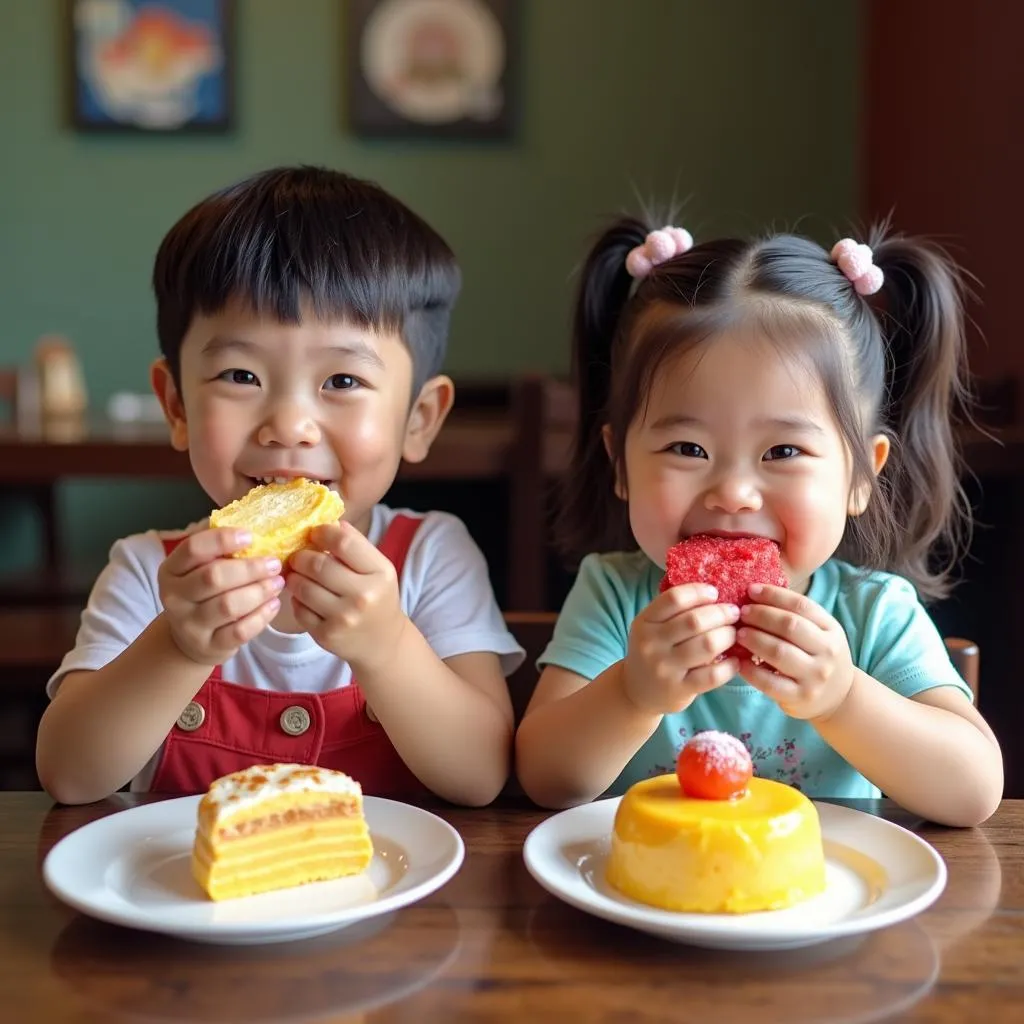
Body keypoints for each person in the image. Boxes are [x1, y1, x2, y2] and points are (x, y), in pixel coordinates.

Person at [36, 165, 522, 806]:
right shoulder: (149, 572)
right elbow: (69, 776)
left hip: (391, 900)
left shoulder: (431, 556)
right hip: (186, 899)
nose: (289, 426)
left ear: (419, 418)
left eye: (342, 382)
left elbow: (482, 775)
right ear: (176, 405)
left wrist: (388, 648)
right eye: (240, 375)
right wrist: (177, 646)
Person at [515, 217, 1003, 826]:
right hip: (651, 893)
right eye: (687, 449)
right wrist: (632, 693)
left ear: (859, 476)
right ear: (620, 464)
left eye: (783, 452)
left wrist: (843, 697)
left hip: (822, 899)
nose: (734, 494)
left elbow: (974, 792)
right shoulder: (615, 595)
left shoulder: (875, 612)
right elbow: (544, 778)